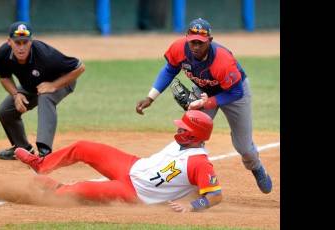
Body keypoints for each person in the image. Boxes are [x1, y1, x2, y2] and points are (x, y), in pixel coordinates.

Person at [135, 18, 272, 194]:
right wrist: (150, 97)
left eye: (200, 43)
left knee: (244, 147)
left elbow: (236, 92)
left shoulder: (222, 61)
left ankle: (256, 167)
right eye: (192, 42)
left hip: (234, 93)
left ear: (210, 41)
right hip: (203, 90)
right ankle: (187, 181)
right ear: (187, 38)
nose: (196, 46)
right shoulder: (179, 48)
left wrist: (208, 102)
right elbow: (170, 70)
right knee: (190, 134)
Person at [15, 110, 222, 212]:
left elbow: (215, 196)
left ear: (195, 136)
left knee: (76, 191)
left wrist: (192, 206)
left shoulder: (200, 163)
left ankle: (56, 189)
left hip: (133, 192)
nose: (178, 130)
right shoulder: (185, 143)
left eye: (183, 129)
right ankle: (40, 165)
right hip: (131, 164)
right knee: (83, 147)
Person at [0, 21, 85, 160]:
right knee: (4, 111)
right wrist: (16, 94)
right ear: (9, 42)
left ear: (31, 42)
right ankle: (22, 149)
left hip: (62, 81)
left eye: (25, 42)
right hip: (30, 85)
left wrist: (54, 85)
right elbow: (4, 77)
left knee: (45, 96)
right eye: (17, 42)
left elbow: (79, 67)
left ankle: (45, 153)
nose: (21, 47)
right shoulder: (2, 55)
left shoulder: (46, 55)